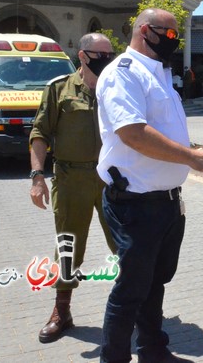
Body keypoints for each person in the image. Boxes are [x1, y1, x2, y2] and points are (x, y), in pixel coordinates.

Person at [96, 8, 203, 363]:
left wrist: (189, 150)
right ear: (146, 31)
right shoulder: (124, 74)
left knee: (154, 283)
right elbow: (133, 133)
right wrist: (190, 158)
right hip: (134, 203)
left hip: (165, 203)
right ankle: (114, 358)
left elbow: (164, 131)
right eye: (170, 33)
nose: (175, 40)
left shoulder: (159, 73)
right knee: (131, 290)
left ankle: (153, 349)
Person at [28, 32, 118, 344]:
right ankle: (61, 311)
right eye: (100, 53)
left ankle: (139, 305)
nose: (107, 58)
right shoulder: (59, 89)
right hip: (70, 179)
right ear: (82, 55)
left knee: (126, 245)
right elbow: (40, 132)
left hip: (113, 179)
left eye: (110, 52)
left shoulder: (117, 87)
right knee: (68, 246)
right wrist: (37, 176)